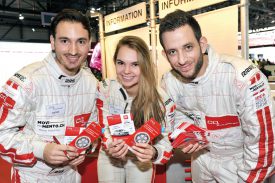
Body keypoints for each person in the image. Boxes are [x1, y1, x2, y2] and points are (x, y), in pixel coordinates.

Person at [159, 10, 275, 183]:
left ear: (203, 44)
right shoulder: (169, 82)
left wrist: (248, 179)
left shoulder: (242, 77)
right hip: (201, 160)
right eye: (172, 52)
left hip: (239, 163)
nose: (181, 60)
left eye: (188, 47)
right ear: (165, 55)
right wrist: (188, 133)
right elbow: (175, 116)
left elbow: (262, 141)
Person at [0, 9, 98, 182]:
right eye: (65, 41)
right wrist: (41, 150)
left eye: (81, 41)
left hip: (71, 176)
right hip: (31, 177)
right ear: (52, 42)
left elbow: (93, 126)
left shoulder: (91, 83)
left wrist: (86, 147)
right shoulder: (26, 82)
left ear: (89, 43)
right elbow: (2, 134)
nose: (73, 51)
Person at [96, 36, 175, 183]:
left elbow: (167, 145)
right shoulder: (105, 88)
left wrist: (154, 152)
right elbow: (102, 126)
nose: (126, 71)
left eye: (135, 64)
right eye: (121, 63)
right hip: (110, 156)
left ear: (145, 65)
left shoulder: (161, 100)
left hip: (140, 161)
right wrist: (109, 144)